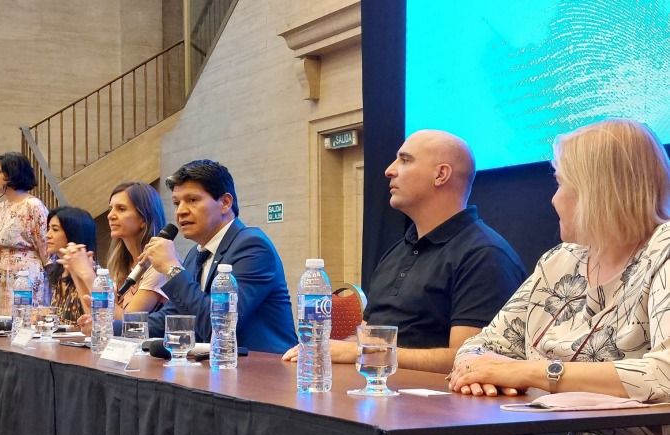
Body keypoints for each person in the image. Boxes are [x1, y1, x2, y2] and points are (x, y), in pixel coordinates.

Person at [448, 118, 670, 435]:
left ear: (598, 191)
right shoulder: (559, 262)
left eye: (562, 184)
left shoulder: (664, 253)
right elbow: (483, 345)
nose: (553, 199)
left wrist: (530, 371)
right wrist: (479, 371)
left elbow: (665, 373)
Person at [283, 129, 526, 372]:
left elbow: (471, 362)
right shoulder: (397, 252)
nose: (389, 170)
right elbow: (365, 337)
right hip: (374, 392)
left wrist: (361, 352)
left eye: (405, 160)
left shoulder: (485, 255)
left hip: (432, 405)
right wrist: (330, 349)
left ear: (441, 174)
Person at [139, 159, 297, 354]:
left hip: (263, 372)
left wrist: (172, 268)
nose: (180, 211)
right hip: (218, 371)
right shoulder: (196, 253)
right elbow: (173, 317)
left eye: (193, 200)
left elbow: (218, 327)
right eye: (176, 203)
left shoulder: (253, 247)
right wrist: (110, 326)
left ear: (225, 203)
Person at [66, 182, 168, 319]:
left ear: (144, 219)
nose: (110, 216)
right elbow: (96, 316)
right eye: (111, 209)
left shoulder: (159, 264)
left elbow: (125, 325)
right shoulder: (123, 264)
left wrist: (87, 274)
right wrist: (76, 272)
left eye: (121, 209)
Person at [0, 152, 48, 315]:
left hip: (24, 274)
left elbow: (45, 247)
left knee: (22, 320)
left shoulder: (33, 206)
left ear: (13, 173)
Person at [45, 206, 97, 326]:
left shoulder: (93, 274)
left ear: (73, 233)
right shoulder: (58, 271)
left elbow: (97, 320)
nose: (48, 235)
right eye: (48, 229)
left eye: (55, 229)